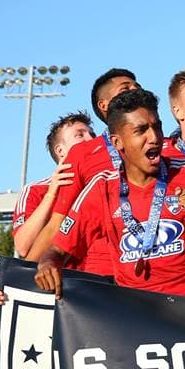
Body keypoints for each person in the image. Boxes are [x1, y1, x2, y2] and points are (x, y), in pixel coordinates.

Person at [34, 89, 185, 299]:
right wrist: (48, 263)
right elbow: (57, 250)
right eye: (141, 130)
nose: (154, 138)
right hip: (135, 317)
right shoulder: (102, 189)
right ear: (117, 142)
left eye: (157, 127)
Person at [26, 68, 140, 265]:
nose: (135, 90)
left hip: (159, 274)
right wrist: (16, 276)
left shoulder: (164, 145)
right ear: (103, 105)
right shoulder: (82, 154)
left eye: (137, 86)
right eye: (125, 88)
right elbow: (57, 224)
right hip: (103, 276)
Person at [11, 112, 96, 257]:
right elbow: (23, 246)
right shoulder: (35, 190)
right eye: (80, 135)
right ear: (60, 151)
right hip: (56, 276)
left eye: (92, 134)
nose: (91, 139)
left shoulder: (107, 181)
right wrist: (51, 195)